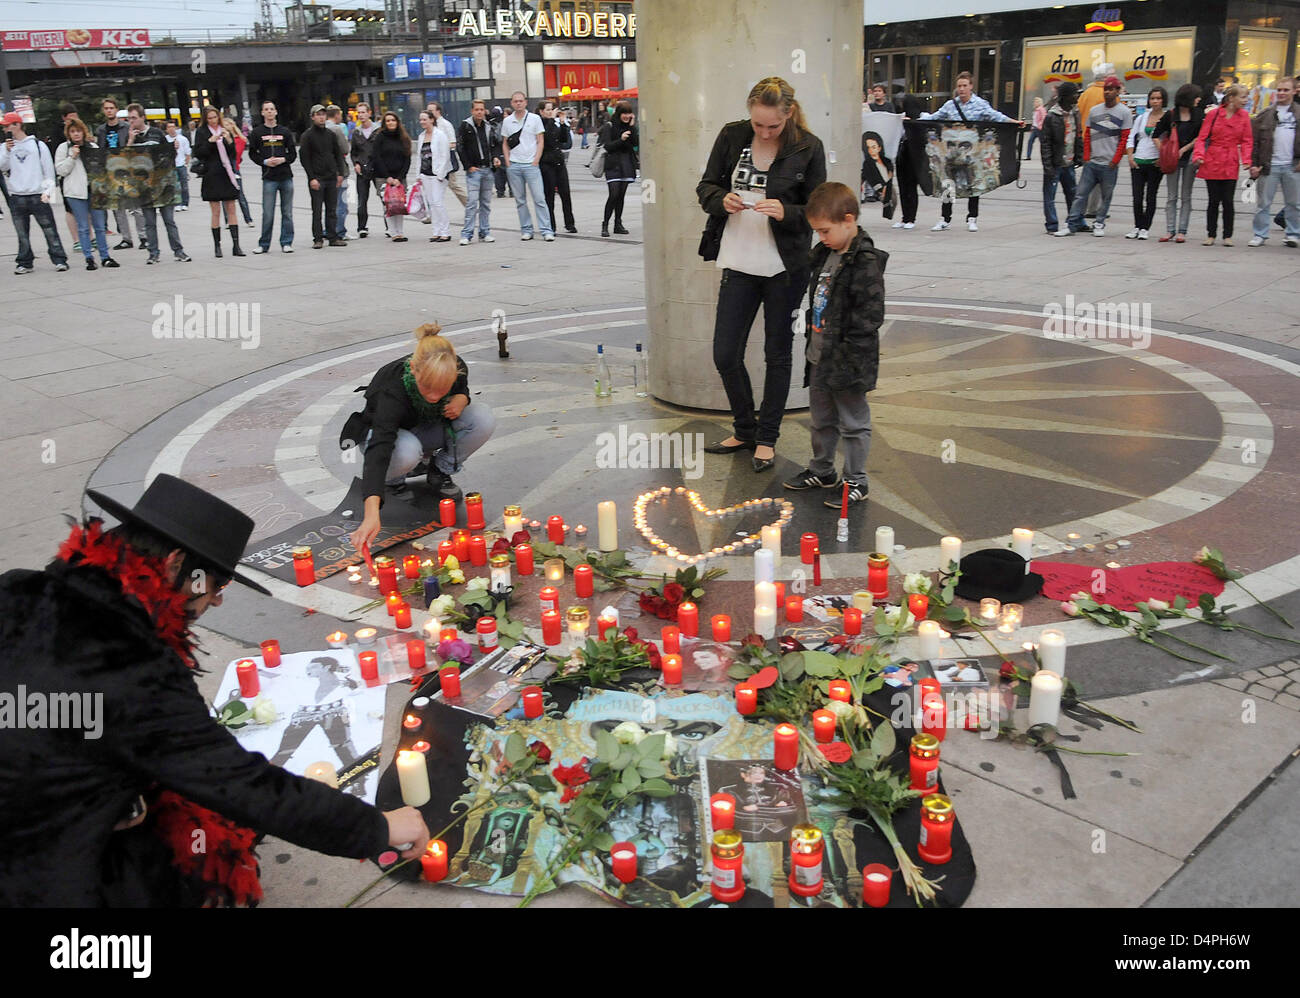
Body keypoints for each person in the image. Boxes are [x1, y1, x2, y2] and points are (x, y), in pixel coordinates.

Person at [0, 474, 429, 907]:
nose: (217, 601)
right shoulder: (133, 665)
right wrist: (378, 829)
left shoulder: (17, 587)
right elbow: (242, 785)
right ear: (173, 565)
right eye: (215, 585)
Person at [696, 76, 827, 473]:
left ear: (788, 115)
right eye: (758, 125)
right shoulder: (732, 136)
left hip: (784, 267)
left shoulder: (808, 146)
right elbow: (705, 187)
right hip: (738, 261)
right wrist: (722, 199)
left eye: (773, 126)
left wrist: (787, 211)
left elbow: (819, 211)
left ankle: (767, 437)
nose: (765, 132)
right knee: (725, 353)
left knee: (777, 353)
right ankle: (745, 427)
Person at [347, 323, 498, 551]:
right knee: (406, 451)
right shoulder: (391, 388)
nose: (435, 396)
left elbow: (461, 389)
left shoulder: (456, 368)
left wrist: (461, 398)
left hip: (426, 429)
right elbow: (380, 446)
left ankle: (439, 470)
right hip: (386, 438)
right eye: (427, 388)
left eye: (442, 389)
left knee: (482, 418)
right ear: (413, 369)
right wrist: (371, 514)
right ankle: (393, 480)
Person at [782, 182, 885, 507]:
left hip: (849, 361)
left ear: (849, 220)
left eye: (825, 231)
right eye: (817, 232)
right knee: (821, 419)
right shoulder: (825, 255)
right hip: (820, 356)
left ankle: (856, 481)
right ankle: (822, 469)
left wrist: (846, 355)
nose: (821, 238)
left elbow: (870, 318)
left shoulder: (864, 262)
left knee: (853, 423)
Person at [926, 71, 1023, 232]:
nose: (962, 89)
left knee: (974, 185)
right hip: (952, 154)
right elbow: (934, 117)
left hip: (971, 154)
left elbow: (995, 116)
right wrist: (914, 119)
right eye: (959, 86)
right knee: (948, 186)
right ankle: (945, 219)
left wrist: (1013, 122)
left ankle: (972, 218)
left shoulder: (980, 104)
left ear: (971, 86)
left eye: (965, 86)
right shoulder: (950, 105)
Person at [1056, 76, 1132, 237]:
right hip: (1092, 162)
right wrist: (1087, 156)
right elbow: (1087, 134)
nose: (1108, 92)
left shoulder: (1124, 112)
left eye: (1112, 89)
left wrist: (1115, 160)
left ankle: (1099, 223)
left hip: (1109, 163)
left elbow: (1124, 138)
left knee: (1106, 196)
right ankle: (1071, 223)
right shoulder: (1095, 110)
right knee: (1080, 194)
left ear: (1118, 91)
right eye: (1106, 89)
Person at [1, 113, 69, 275]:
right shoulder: (5, 147)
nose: (5, 129)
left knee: (49, 230)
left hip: (38, 194)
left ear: (17, 125)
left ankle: (59, 259)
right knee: (21, 233)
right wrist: (7, 151)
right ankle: (24, 261)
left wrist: (48, 193)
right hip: (17, 196)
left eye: (7, 126)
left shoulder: (37, 145)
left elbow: (48, 170)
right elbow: (2, 166)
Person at [126, 104, 191, 265]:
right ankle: (153, 253)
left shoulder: (156, 133)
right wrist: (130, 140)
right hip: (144, 186)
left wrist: (173, 149)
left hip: (162, 184)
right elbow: (125, 159)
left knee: (169, 220)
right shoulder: (130, 136)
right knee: (149, 222)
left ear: (142, 117)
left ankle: (178, 251)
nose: (131, 121)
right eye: (129, 118)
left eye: (134, 117)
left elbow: (168, 156)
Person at [1193, 84, 1252, 246]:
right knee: (1213, 200)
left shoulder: (1244, 116)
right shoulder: (1214, 114)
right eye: (1243, 97)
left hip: (1230, 160)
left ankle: (1227, 235)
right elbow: (1202, 137)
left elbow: (1247, 140)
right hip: (1212, 159)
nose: (1245, 100)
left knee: (1228, 200)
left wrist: (1247, 159)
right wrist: (1199, 154)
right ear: (1231, 98)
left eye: (1246, 97)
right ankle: (1211, 234)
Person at [54, 117, 113, 271]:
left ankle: (105, 256)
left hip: (94, 191)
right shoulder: (63, 148)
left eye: (78, 131)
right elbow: (61, 170)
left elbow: (102, 167)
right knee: (83, 227)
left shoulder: (92, 146)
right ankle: (89, 258)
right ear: (69, 134)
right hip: (75, 193)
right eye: (73, 132)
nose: (76, 134)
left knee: (100, 226)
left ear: (83, 131)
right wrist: (72, 156)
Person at [1248, 76, 1299, 248]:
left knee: (1294, 203)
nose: (1281, 93)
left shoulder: (1298, 113)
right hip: (1268, 165)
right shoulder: (1266, 114)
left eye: (1285, 90)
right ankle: (1260, 234)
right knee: (1263, 203)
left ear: (1294, 91)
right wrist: (1253, 164)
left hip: (1293, 165)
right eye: (1279, 90)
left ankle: (1292, 234)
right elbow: (1254, 141)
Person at [191, 105, 246, 257]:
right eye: (210, 118)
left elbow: (233, 153)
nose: (213, 121)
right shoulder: (202, 132)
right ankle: (217, 246)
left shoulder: (224, 129)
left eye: (215, 117)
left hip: (226, 173)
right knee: (215, 211)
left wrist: (228, 139)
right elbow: (199, 153)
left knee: (231, 208)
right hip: (211, 174)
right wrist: (210, 141)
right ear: (205, 119)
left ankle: (236, 245)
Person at [1153, 84, 1204, 242]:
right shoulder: (1171, 114)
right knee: (1171, 196)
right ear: (1188, 97)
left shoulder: (1198, 114)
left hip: (1189, 158)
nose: (1199, 100)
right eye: (1196, 97)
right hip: (1172, 160)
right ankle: (1170, 230)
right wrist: (1165, 151)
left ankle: (1182, 230)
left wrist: (1183, 149)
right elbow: (1155, 134)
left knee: (1186, 195)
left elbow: (1201, 137)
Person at [501, 91, 553, 241]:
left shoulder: (535, 119)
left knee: (539, 198)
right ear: (511, 103)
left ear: (525, 102)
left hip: (531, 164)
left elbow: (540, 140)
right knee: (520, 200)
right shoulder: (507, 121)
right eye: (515, 101)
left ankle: (546, 230)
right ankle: (526, 229)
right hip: (514, 165)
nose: (518, 103)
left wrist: (536, 159)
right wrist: (508, 161)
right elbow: (504, 143)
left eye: (521, 101)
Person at [248, 100, 297, 254]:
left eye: (272, 109)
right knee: (268, 212)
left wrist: (283, 159)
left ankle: (286, 241)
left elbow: (293, 154)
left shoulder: (284, 132)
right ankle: (264, 243)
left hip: (285, 176)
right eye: (266, 109)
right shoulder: (257, 133)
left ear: (276, 112)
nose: (269, 112)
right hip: (269, 178)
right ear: (262, 112)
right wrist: (264, 162)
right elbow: (252, 153)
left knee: (287, 212)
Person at [95, 97, 143, 249]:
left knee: (136, 206)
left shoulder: (126, 127)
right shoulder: (101, 130)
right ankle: (126, 238)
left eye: (111, 108)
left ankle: (143, 236)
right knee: (117, 207)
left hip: (128, 170)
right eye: (106, 108)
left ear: (116, 110)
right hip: (111, 171)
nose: (109, 110)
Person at [300, 103, 346, 249]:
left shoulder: (331, 135)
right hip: (317, 178)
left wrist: (340, 173)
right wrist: (311, 177)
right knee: (317, 210)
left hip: (332, 177)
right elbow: (305, 158)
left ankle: (333, 236)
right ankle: (318, 238)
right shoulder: (307, 136)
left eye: (323, 114)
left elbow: (338, 155)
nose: (321, 117)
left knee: (332, 209)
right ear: (313, 117)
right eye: (318, 114)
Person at [1040, 81, 1082, 234]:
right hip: (1055, 162)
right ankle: (1052, 225)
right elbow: (1045, 143)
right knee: (1049, 196)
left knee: (1072, 194)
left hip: (1069, 162)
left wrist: (1079, 155)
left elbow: (1078, 135)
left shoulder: (1075, 112)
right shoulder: (1052, 116)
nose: (1077, 96)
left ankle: (1073, 222)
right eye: (1074, 94)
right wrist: (1047, 166)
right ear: (1066, 96)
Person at [1125, 87, 1167, 239]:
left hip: (1155, 162)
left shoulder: (1167, 117)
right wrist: (1130, 156)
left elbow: (1169, 141)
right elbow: (1131, 137)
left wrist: (1163, 157)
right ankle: (1137, 225)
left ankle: (1145, 227)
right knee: (1137, 196)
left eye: (1158, 98)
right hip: (1138, 160)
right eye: (1152, 98)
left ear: (1163, 100)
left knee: (1151, 196)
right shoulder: (1142, 117)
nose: (1155, 101)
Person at [456, 99, 497, 245]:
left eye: (481, 109)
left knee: (486, 203)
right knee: (472, 203)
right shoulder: (465, 126)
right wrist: (468, 166)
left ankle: (484, 232)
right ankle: (467, 233)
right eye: (476, 109)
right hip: (474, 170)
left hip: (488, 169)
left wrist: (496, 158)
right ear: (472, 111)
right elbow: (460, 147)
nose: (479, 112)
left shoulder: (488, 126)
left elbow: (494, 144)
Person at [371, 111, 412, 242]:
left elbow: (407, 159)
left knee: (399, 205)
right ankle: (393, 232)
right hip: (383, 177)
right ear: (384, 123)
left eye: (393, 120)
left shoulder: (403, 137)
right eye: (388, 121)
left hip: (399, 177)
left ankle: (400, 232)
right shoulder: (380, 137)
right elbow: (376, 158)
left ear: (397, 122)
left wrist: (399, 178)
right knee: (388, 205)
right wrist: (387, 176)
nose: (390, 123)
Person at [600, 101, 638, 237]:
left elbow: (635, 143)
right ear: (619, 114)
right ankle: (605, 224)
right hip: (613, 164)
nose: (627, 116)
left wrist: (633, 127)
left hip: (626, 163)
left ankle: (618, 223)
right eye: (624, 113)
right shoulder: (609, 126)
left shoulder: (630, 127)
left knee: (621, 196)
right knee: (613, 194)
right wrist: (621, 139)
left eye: (629, 113)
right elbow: (607, 146)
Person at [538, 100, 576, 234]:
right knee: (549, 196)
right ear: (541, 111)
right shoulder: (540, 124)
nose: (550, 112)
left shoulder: (554, 124)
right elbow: (546, 137)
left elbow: (564, 140)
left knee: (565, 193)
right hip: (547, 163)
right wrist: (551, 120)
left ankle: (570, 223)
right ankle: (551, 225)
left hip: (559, 162)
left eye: (551, 109)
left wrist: (562, 123)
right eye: (547, 110)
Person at [415, 109, 452, 243]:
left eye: (424, 119)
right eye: (420, 119)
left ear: (431, 119)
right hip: (425, 174)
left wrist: (440, 174)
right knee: (431, 203)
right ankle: (436, 231)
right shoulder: (421, 136)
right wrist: (418, 174)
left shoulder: (440, 135)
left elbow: (444, 156)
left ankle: (445, 231)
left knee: (438, 202)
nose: (422, 122)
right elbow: (419, 156)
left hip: (438, 174)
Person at [890, 94, 924, 229]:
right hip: (901, 157)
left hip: (913, 159)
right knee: (903, 187)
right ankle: (904, 217)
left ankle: (911, 218)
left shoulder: (920, 120)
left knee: (911, 188)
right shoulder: (900, 119)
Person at [430, 102, 468, 213]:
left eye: (431, 110)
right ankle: (431, 212)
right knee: (432, 187)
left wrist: (441, 148)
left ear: (438, 111)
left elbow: (453, 143)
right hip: (433, 162)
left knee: (454, 185)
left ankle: (470, 205)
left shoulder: (445, 124)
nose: (429, 113)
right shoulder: (430, 126)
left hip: (446, 162)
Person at [350, 102, 380, 238]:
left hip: (378, 168)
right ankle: (362, 227)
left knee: (384, 197)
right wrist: (356, 163)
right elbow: (354, 151)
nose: (361, 115)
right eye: (359, 112)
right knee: (362, 199)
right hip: (362, 169)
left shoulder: (378, 130)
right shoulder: (356, 132)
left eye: (363, 112)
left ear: (369, 113)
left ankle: (389, 226)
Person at [325, 105, 351, 240]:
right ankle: (340, 231)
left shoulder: (322, 127)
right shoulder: (337, 129)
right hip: (340, 170)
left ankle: (328, 229)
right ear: (336, 115)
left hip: (325, 171)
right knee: (342, 203)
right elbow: (345, 149)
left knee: (329, 203)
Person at [224, 116, 255, 227]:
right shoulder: (223, 139)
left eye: (227, 124)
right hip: (225, 169)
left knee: (240, 195)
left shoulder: (239, 139)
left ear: (232, 125)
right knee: (225, 196)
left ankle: (248, 219)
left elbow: (236, 154)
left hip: (235, 168)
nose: (225, 127)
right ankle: (227, 220)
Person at [860, 131, 895, 219]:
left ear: (879, 148)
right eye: (868, 148)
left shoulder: (886, 162)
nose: (871, 150)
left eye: (873, 147)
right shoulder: (868, 164)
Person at [165, 119, 192, 211]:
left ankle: (185, 202)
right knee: (174, 185)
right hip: (171, 166)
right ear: (166, 129)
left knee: (183, 185)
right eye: (169, 127)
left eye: (173, 127)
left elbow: (187, 152)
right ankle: (177, 203)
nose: (171, 129)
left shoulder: (182, 139)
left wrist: (186, 164)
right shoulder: (165, 139)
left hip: (181, 164)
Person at [488, 105, 509, 198]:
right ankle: (508, 190)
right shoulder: (502, 123)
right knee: (505, 170)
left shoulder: (490, 124)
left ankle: (500, 191)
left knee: (499, 172)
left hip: (496, 149)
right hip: (502, 149)